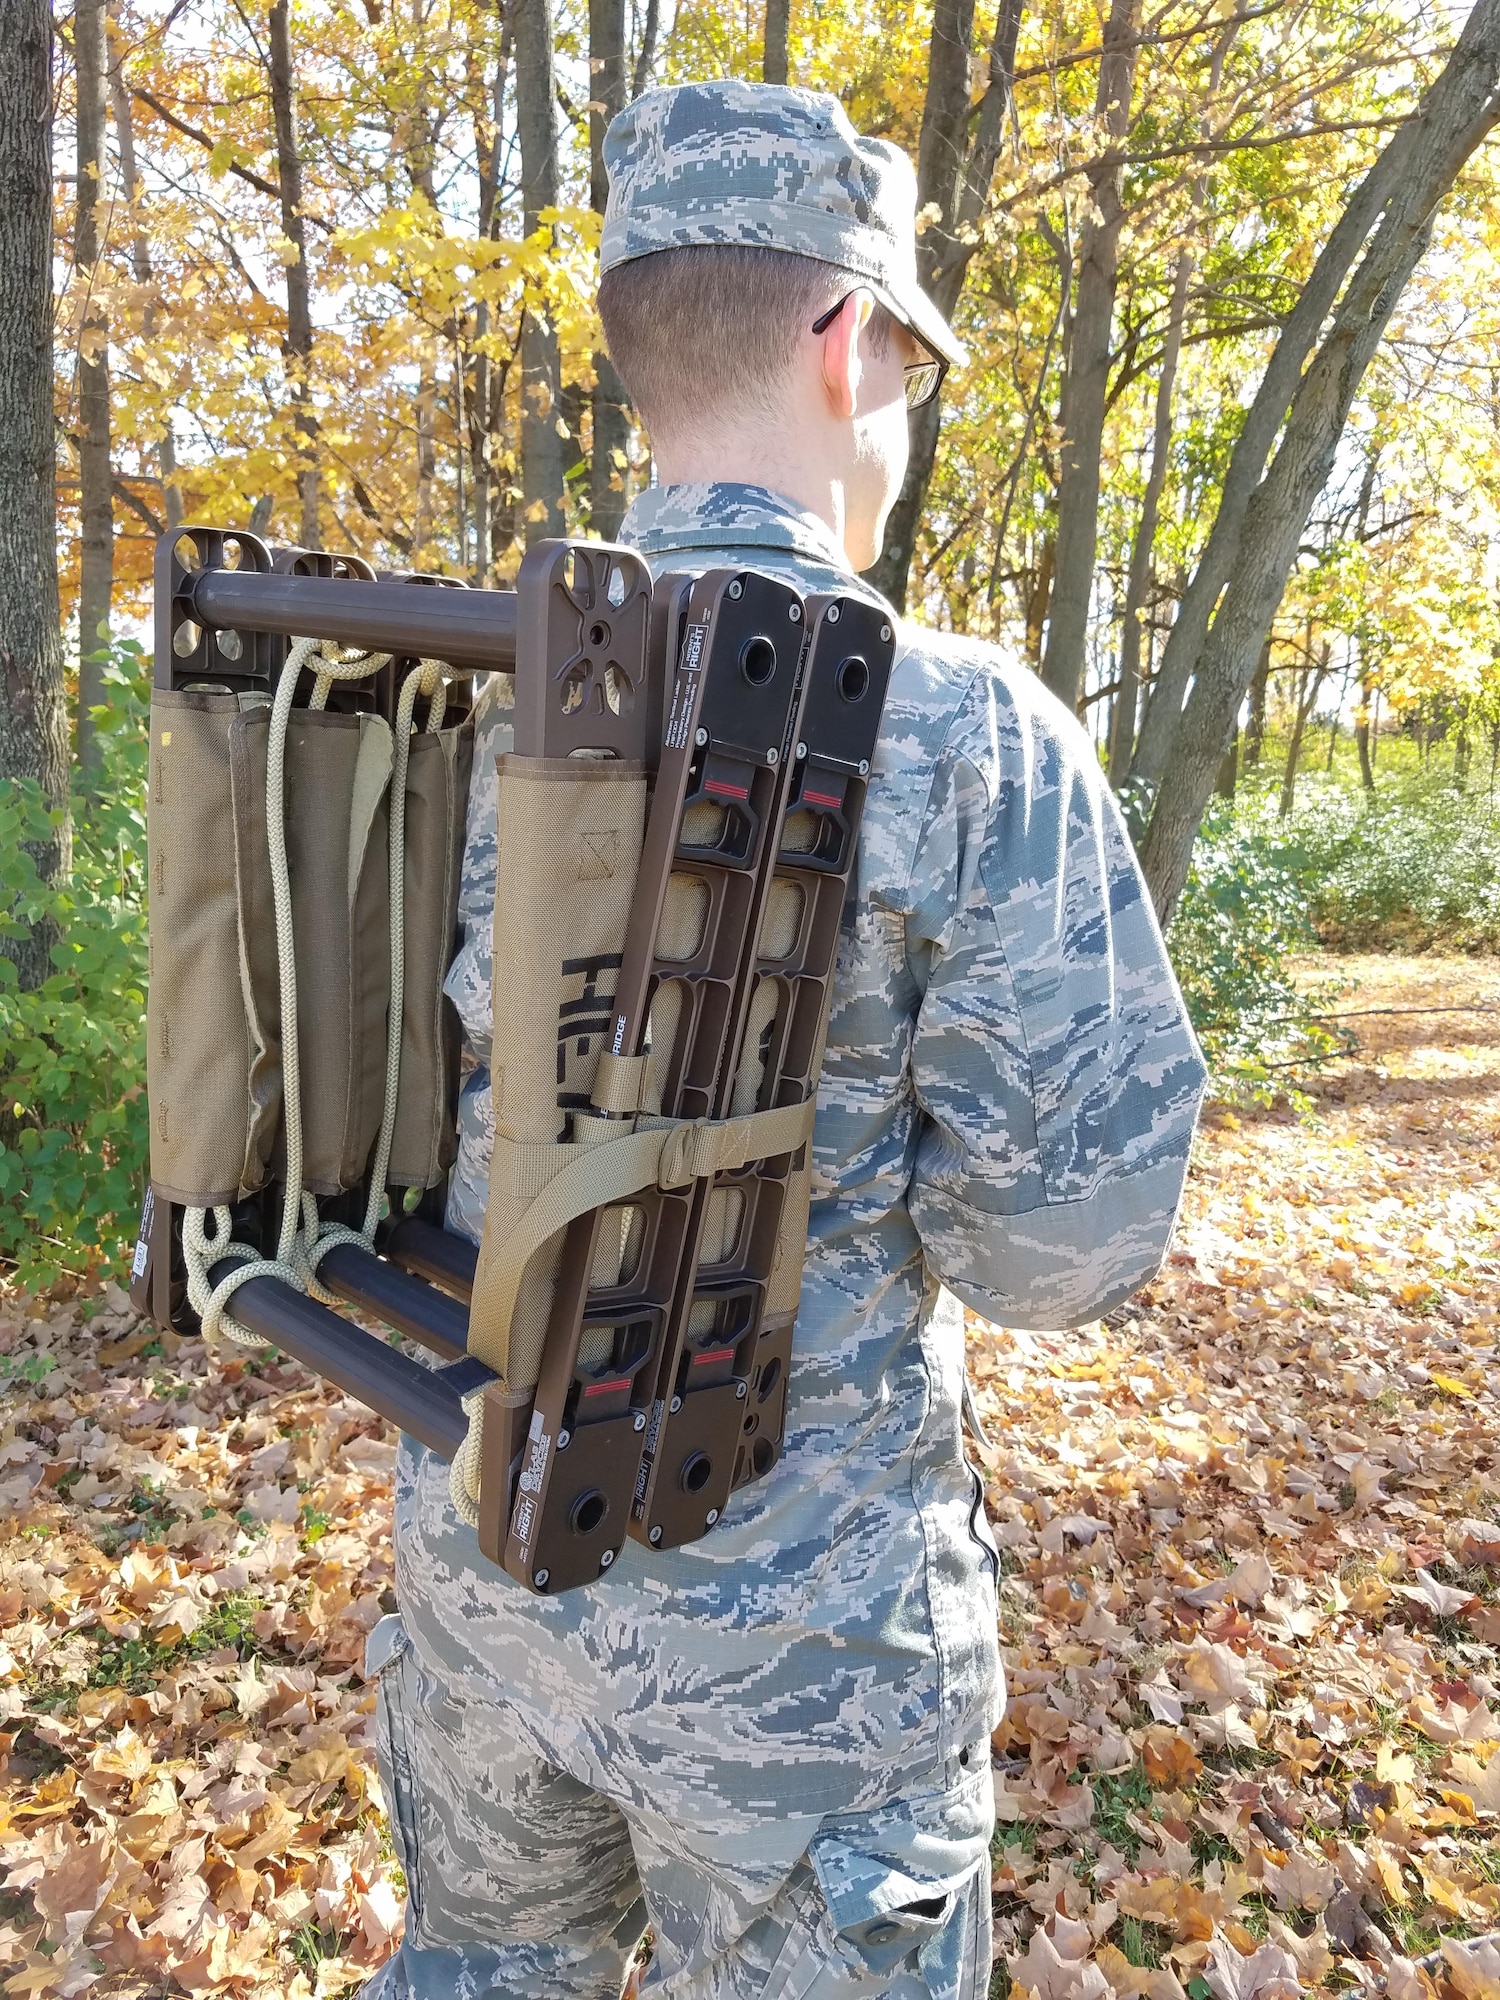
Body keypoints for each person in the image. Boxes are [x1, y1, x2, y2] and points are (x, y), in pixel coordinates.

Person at [361, 79, 1207, 2000]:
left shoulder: (451, 692)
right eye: (909, 363)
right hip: (807, 1672)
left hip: (482, 1562)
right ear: (846, 342)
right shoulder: (972, 733)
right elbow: (1063, 1256)